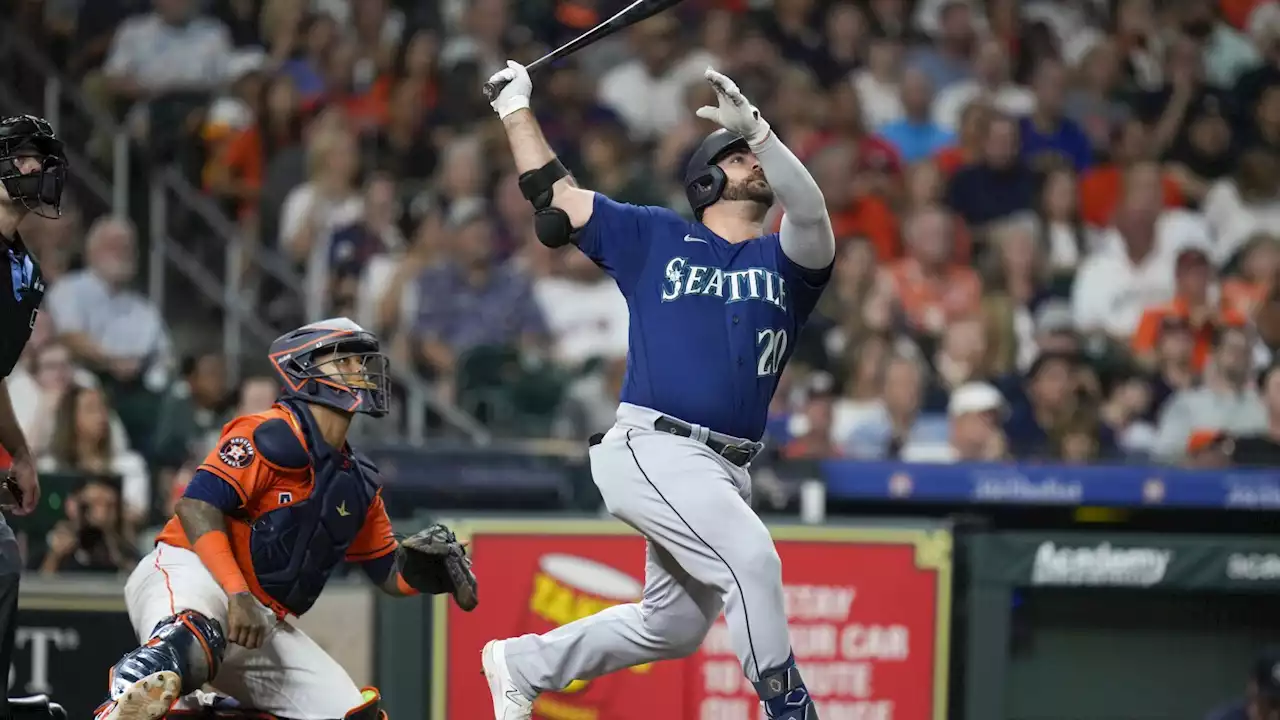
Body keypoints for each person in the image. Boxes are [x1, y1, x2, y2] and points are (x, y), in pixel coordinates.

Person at [481, 59, 834, 720]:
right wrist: (515, 110)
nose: (752, 164)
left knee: (671, 627)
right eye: (734, 158)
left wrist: (759, 133)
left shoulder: (787, 263)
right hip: (656, 445)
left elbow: (811, 210)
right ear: (704, 180)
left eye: (751, 154)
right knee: (752, 558)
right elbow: (556, 198)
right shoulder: (658, 236)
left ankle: (524, 664)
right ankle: (790, 708)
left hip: (726, 469)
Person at [93, 318, 478, 720]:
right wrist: (236, 594)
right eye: (344, 361)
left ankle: (199, 710)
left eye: (361, 361)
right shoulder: (265, 433)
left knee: (350, 715)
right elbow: (195, 506)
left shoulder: (358, 481)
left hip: (258, 619)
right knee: (191, 639)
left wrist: (425, 575)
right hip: (189, 570)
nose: (360, 370)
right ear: (304, 369)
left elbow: (387, 570)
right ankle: (122, 703)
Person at [0, 114, 69, 720]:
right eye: (24, 156)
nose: (36, 169)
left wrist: (20, 452)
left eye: (42, 162)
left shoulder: (24, 276)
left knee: (2, 560)